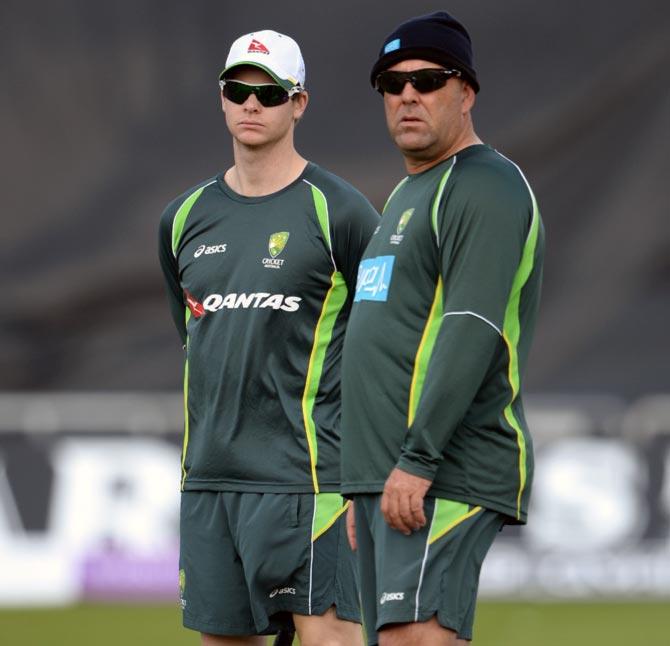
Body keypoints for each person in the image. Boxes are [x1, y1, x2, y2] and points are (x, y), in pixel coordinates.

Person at [158, 28, 378, 646]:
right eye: (239, 89)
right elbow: (196, 339)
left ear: (298, 103)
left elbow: (385, 345)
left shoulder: (342, 212)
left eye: (270, 92)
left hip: (308, 482)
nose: (252, 104)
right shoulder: (181, 220)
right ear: (222, 98)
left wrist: (369, 471)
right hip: (209, 483)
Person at [340, 11, 545, 646]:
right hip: (386, 475)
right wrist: (362, 481)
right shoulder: (405, 195)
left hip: (441, 467)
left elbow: (471, 326)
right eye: (391, 83)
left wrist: (417, 458)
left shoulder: (485, 185)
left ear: (466, 92)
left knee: (416, 639)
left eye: (428, 79)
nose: (407, 94)